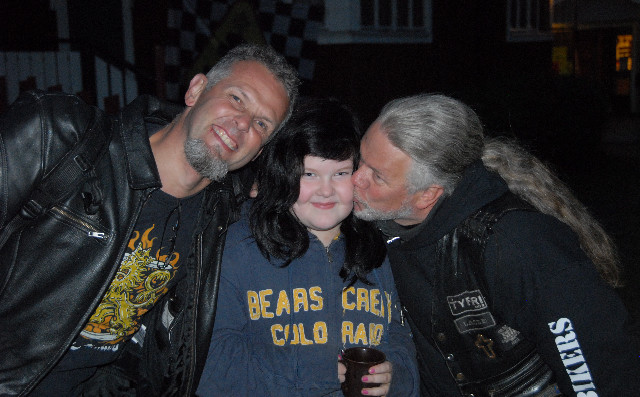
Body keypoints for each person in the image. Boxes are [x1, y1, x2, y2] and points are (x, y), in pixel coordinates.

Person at [0, 44, 299, 396]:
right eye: (236, 98)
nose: (242, 124)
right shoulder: (60, 135)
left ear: (260, 150)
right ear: (196, 90)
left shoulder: (225, 214)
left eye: (262, 123)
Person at [351, 93, 640, 396]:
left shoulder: (516, 244)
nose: (355, 178)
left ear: (427, 195)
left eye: (377, 176)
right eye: (360, 160)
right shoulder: (372, 229)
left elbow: (599, 368)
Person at [196, 98, 420, 397]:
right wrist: (312, 373)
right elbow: (212, 365)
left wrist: (398, 376)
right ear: (283, 174)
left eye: (340, 173)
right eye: (309, 174)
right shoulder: (240, 247)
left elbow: (399, 334)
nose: (326, 190)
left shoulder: (377, 247)